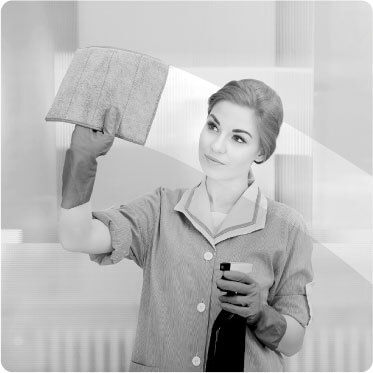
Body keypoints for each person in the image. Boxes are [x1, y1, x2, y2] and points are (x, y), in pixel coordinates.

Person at [58, 79, 314, 372]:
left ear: (261, 152)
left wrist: (261, 314)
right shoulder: (160, 211)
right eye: (213, 126)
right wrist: (82, 158)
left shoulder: (287, 227)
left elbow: (293, 343)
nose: (216, 146)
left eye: (238, 138)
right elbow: (76, 237)